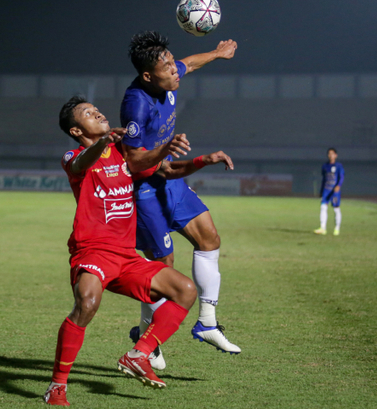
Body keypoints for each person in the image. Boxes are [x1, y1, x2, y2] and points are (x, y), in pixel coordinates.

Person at [44, 96, 235, 406]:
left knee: (185, 290)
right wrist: (103, 141)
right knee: (87, 304)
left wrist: (203, 160)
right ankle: (57, 386)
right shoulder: (74, 155)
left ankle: (139, 354)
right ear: (78, 131)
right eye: (90, 114)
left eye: (97, 109)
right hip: (92, 251)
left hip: (127, 255)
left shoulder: (124, 152)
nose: (99, 113)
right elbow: (80, 164)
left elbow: (167, 169)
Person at [119, 30, 241, 362]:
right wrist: (164, 151)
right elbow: (133, 161)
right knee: (162, 270)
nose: (176, 70)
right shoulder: (135, 105)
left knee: (210, 239)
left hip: (169, 178)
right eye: (167, 67)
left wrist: (216, 53)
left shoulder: (168, 78)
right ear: (148, 76)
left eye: (173, 64)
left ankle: (207, 322)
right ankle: (148, 339)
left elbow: (189, 63)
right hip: (145, 189)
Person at [314, 148, 344, 236]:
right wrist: (321, 190)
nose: (330, 155)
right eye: (329, 154)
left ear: (336, 155)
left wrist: (338, 185)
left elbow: (341, 177)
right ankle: (323, 227)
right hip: (326, 190)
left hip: (335, 191)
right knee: (323, 207)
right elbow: (324, 179)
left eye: (332, 154)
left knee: (336, 209)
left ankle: (337, 228)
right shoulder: (325, 166)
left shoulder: (339, 166)